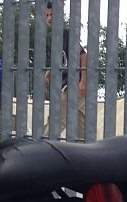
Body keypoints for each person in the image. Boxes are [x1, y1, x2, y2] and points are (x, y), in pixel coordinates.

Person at [43, 1, 87, 138]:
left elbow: (84, 56)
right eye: (47, 15)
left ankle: (42, 146)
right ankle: (88, 152)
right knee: (81, 127)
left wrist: (83, 82)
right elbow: (63, 60)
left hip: (71, 86)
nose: (50, 18)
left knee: (56, 120)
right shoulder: (54, 38)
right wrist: (50, 73)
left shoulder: (65, 33)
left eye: (52, 14)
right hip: (68, 86)